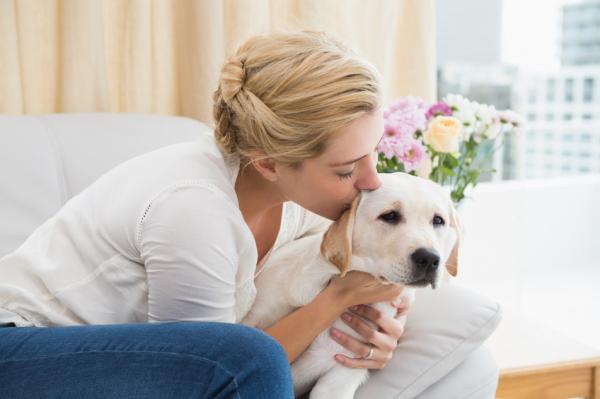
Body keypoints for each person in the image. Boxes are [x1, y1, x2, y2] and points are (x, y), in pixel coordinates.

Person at [0, 30, 408, 398]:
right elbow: (218, 371)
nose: (372, 181)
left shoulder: (297, 201)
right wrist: (338, 298)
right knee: (246, 356)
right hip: (17, 349)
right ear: (268, 164)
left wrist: (376, 325)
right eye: (346, 170)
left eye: (372, 153)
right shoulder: (192, 210)